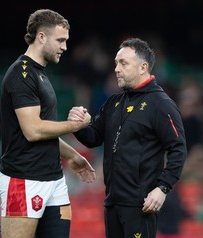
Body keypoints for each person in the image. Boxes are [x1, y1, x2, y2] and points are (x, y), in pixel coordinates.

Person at [68, 37, 187, 238]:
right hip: (112, 201)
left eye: (123, 63)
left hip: (140, 204)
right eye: (116, 62)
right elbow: (93, 138)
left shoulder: (161, 104)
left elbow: (178, 149)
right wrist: (77, 124)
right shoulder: (114, 102)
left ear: (143, 67)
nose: (116, 68)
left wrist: (163, 188)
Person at [0, 9, 96, 238]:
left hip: (54, 180)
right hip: (23, 180)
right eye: (60, 40)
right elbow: (33, 131)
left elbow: (45, 131)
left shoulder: (39, 73)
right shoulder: (21, 75)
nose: (65, 47)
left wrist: (72, 155)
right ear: (41, 36)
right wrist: (76, 126)